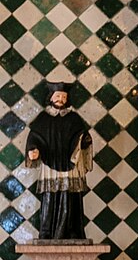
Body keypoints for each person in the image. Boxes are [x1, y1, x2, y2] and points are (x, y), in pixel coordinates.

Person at [25, 81, 92, 240]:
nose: (60, 99)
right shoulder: (42, 119)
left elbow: (83, 136)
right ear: (51, 97)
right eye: (58, 96)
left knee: (71, 198)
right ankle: (47, 233)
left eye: (63, 97)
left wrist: (84, 141)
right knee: (50, 197)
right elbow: (34, 137)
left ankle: (72, 232)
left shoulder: (74, 118)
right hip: (50, 164)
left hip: (71, 164)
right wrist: (33, 150)